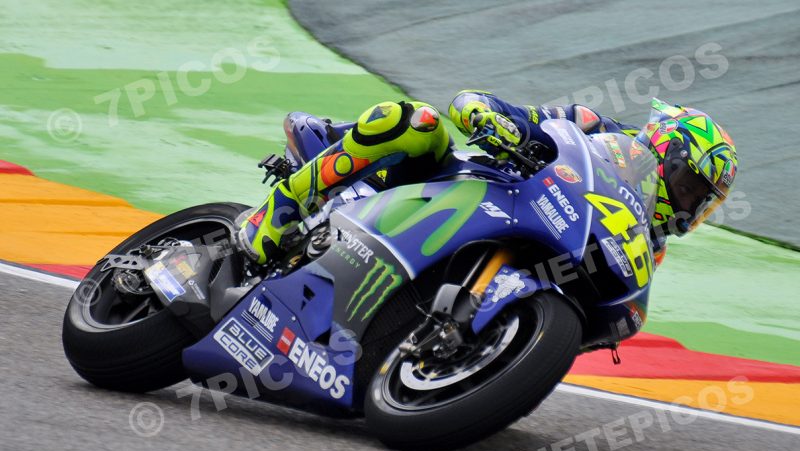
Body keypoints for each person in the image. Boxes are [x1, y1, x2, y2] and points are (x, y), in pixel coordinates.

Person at [237, 91, 738, 265]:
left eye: (702, 200)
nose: (690, 204)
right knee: (417, 122)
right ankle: (281, 209)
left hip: (514, 241)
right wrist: (488, 118)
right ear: (664, 151)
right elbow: (482, 105)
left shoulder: (646, 244)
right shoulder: (594, 128)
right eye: (690, 185)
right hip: (470, 185)